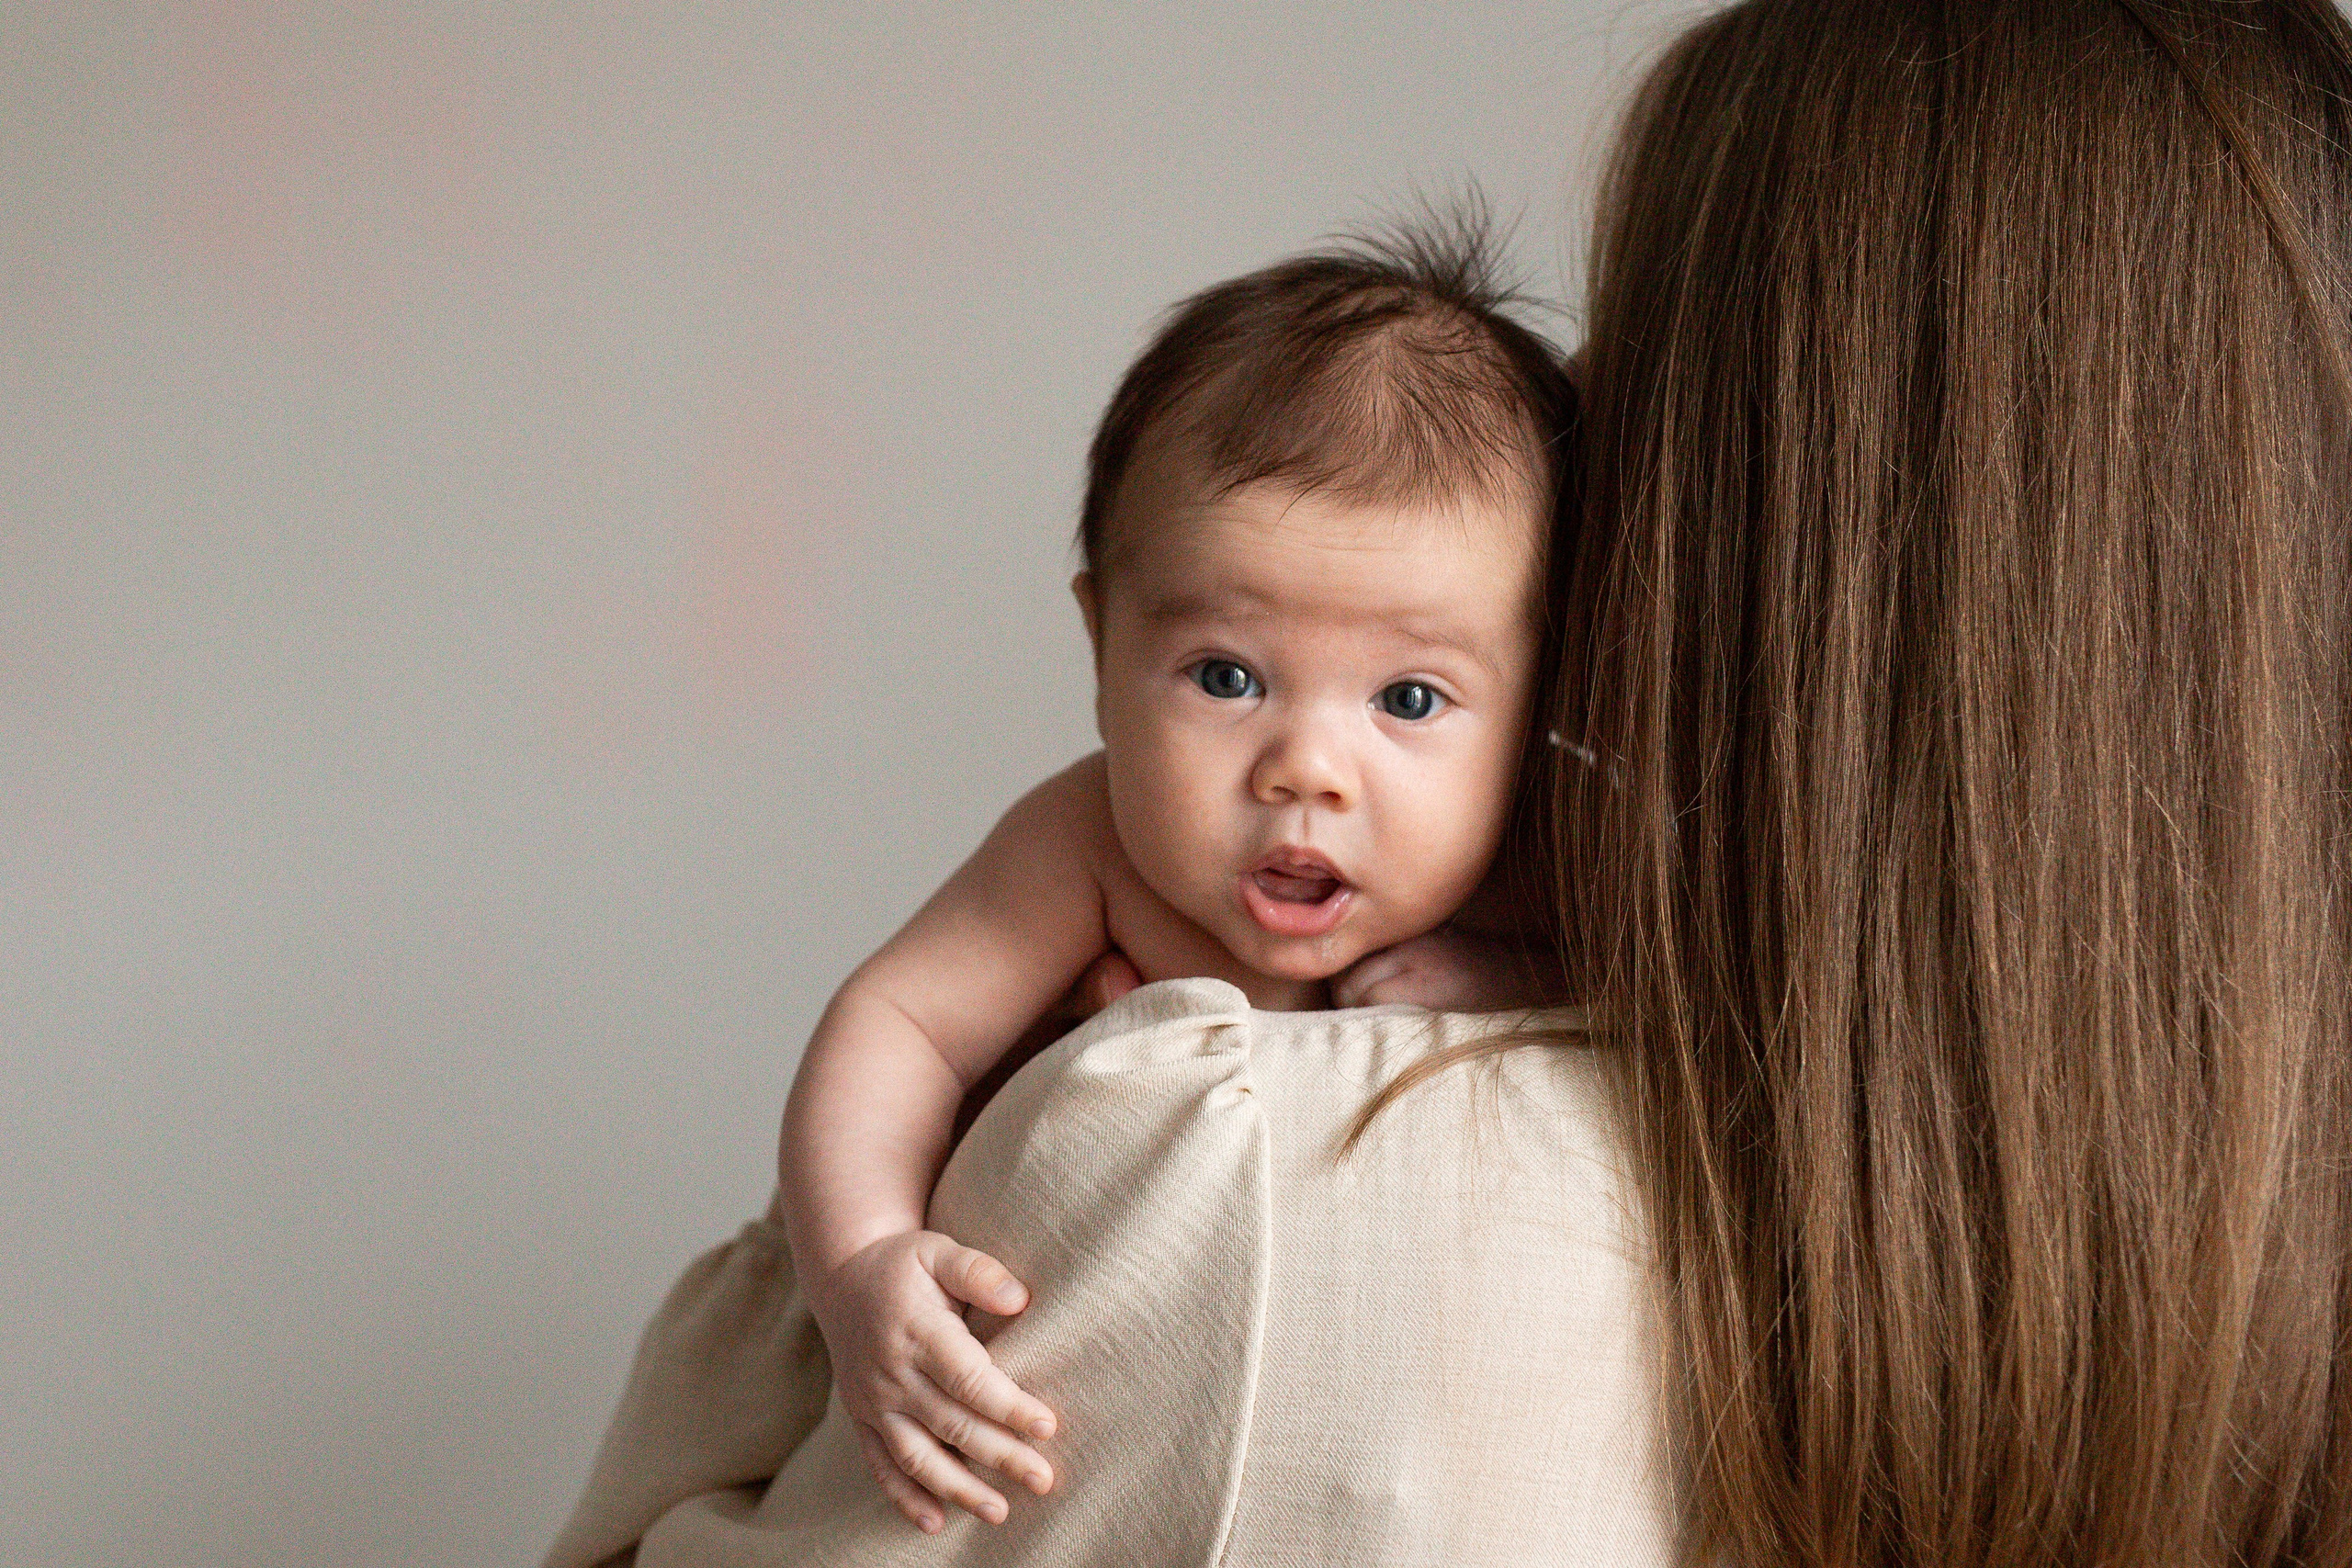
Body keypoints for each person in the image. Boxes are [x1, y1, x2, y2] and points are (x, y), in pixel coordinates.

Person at [546, 2, 2352, 1563]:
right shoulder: (2244, 1267)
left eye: (1622, 381)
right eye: (1226, 669)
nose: (1308, 767)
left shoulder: (1238, 1156)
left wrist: (877, 1243)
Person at [777, 228, 1577, 1532]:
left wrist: (1508, 972)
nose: (1306, 768)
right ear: (1101, 644)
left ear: (1541, 702)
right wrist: (863, 1258)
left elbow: (1673, 1008)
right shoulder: (1085, 845)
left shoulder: (1547, 860)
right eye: (1226, 676)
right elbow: (898, 1024)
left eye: (1411, 698)